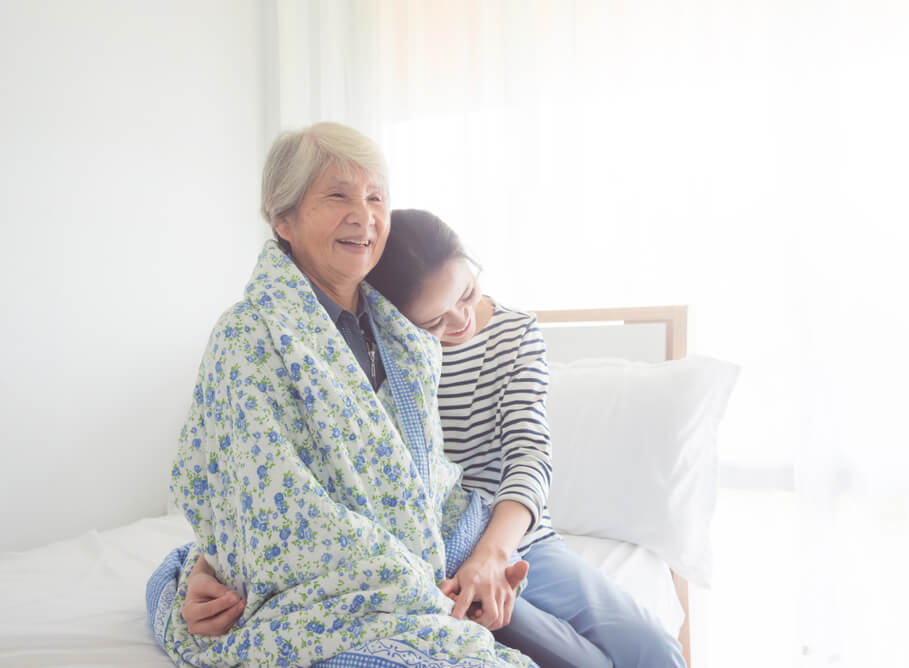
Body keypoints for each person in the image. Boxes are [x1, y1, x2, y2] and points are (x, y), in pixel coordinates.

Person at [177, 207, 688, 668]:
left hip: (512, 538)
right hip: (426, 557)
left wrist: (490, 556)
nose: (461, 320)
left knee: (652, 649)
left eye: (466, 293)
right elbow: (291, 476)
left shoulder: (515, 333)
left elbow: (529, 457)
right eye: (435, 320)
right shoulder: (386, 353)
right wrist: (211, 565)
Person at [147, 122, 534, 667]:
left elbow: (425, 473)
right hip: (358, 585)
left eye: (376, 197)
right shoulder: (247, 337)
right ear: (283, 218)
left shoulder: (401, 325)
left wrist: (478, 560)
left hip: (448, 551)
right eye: (337, 195)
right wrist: (414, 585)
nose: (364, 215)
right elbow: (268, 506)